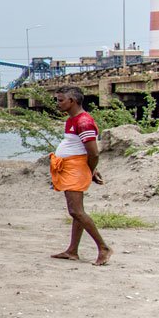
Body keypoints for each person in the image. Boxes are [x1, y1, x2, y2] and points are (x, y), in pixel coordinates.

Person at [50, 87, 113, 265]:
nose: (58, 104)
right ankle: (72, 250)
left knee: (76, 211)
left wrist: (90, 170)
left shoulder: (84, 122)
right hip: (71, 167)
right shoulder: (72, 120)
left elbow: (93, 153)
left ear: (73, 101)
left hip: (76, 169)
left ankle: (103, 247)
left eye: (61, 100)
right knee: (77, 211)